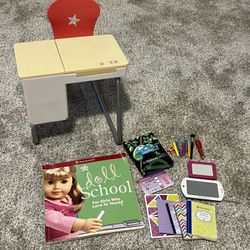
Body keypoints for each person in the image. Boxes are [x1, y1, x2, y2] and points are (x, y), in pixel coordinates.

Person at [43, 165, 102, 242]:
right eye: (50, 182)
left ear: (72, 182)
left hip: (73, 237)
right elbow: (56, 220)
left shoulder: (68, 197)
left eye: (63, 181)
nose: (57, 187)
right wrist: (82, 224)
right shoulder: (45, 205)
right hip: (56, 241)